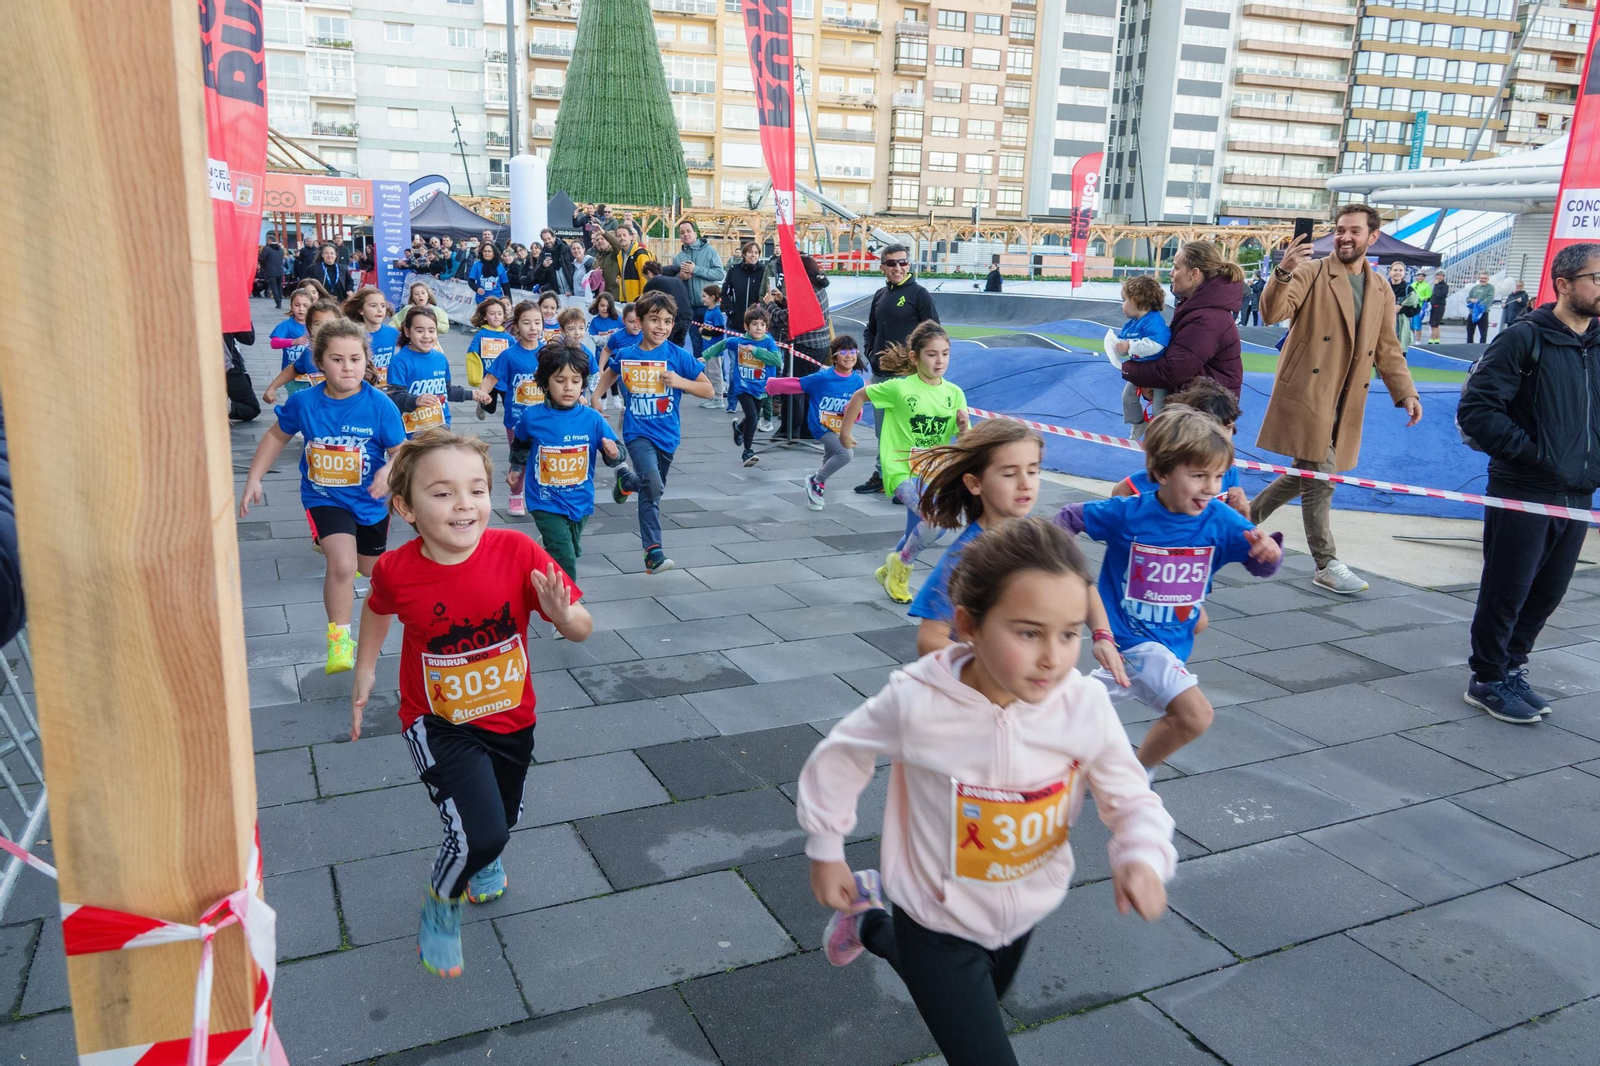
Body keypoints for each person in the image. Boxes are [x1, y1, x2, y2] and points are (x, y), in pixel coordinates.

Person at [796, 517, 1175, 1066]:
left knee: (982, 1003)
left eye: (1069, 633)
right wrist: (825, 848)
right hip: (933, 914)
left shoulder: (1081, 705)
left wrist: (1142, 854)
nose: (1053, 657)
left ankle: (869, 921)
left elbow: (1131, 794)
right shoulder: (917, 701)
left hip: (1023, 910)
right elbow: (841, 753)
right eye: (1028, 632)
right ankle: (885, 917)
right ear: (969, 624)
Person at [349, 428, 592, 978]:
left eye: (477, 490)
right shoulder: (395, 569)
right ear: (406, 508)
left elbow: (582, 627)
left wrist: (562, 615)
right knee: (479, 832)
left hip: (511, 718)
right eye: (442, 493)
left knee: (503, 819)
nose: (465, 504)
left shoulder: (517, 550)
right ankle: (442, 901)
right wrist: (365, 671)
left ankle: (484, 856)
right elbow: (377, 609)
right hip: (437, 722)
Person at [1056, 407, 1284, 770]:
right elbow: (1069, 517)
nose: (1211, 487)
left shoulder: (1221, 520)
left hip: (1171, 642)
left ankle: (1050, 729)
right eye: (1198, 475)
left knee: (1087, 701)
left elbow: (1259, 565)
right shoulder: (1130, 512)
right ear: (1161, 472)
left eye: (1219, 476)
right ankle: (1134, 773)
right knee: (1195, 715)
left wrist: (1268, 553)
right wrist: (1057, 569)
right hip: (1132, 638)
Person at [1456, 243, 1600, 725]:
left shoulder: (1597, 343)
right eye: (1597, 278)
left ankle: (1513, 667)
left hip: (1578, 492)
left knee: (1548, 591)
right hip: (1525, 487)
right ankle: (1487, 678)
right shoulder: (1524, 338)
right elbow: (1477, 412)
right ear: (1563, 284)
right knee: (1508, 589)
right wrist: (1538, 455)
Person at [1250, 203, 1423, 595]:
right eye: (1341, 229)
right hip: (1308, 392)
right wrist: (1283, 271)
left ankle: (1236, 517)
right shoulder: (1312, 271)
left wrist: (1406, 392)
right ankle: (1326, 563)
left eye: (1355, 231)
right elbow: (1272, 312)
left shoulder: (1380, 287)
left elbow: (1388, 347)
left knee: (1305, 474)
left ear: (1372, 237)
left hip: (1347, 399)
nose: (1345, 237)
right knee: (1322, 477)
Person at [240, 319, 405, 675]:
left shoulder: (380, 406)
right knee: (342, 565)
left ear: (367, 361)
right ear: (319, 362)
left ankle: (367, 616)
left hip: (371, 503)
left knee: (368, 571)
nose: (347, 367)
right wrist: (254, 477)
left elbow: (401, 452)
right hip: (324, 497)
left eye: (355, 359)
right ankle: (340, 641)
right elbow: (275, 438)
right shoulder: (304, 402)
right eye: (337, 359)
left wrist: (388, 472)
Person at [907, 419, 1126, 686]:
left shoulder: (1044, 538)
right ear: (975, 484)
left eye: (1033, 472)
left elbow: (1084, 585)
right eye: (1010, 474)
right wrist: (991, 665)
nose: (1025, 484)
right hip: (987, 692)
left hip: (1039, 676)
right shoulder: (967, 557)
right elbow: (929, 639)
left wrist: (1103, 637)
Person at [839, 322, 969, 604]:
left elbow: (965, 439)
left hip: (933, 474)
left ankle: (890, 567)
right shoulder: (899, 388)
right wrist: (845, 433)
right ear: (915, 357)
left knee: (919, 532)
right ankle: (902, 569)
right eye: (932, 354)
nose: (940, 361)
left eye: (945, 354)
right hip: (901, 470)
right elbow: (860, 395)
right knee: (935, 521)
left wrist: (964, 428)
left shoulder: (954, 393)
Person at [588, 291, 715, 574]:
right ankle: (653, 552)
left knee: (650, 487)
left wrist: (681, 381)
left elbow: (708, 390)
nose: (662, 327)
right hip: (637, 432)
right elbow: (612, 370)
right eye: (655, 320)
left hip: (668, 435)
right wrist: (597, 396)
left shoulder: (678, 356)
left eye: (668, 322)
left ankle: (626, 481)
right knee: (654, 487)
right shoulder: (628, 354)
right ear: (640, 321)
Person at [509, 345, 640, 578]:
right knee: (565, 556)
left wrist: (613, 452)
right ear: (545, 383)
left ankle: (547, 548)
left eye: (575, 381)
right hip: (544, 500)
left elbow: (618, 454)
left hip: (580, 499)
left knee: (572, 548)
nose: (568, 387)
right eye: (560, 380)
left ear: (583, 384)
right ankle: (567, 606)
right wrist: (516, 467)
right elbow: (520, 442)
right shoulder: (532, 416)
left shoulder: (592, 419)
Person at [855, 243, 941, 495]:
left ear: (909, 265)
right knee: (883, 431)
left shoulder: (920, 294)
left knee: (908, 431)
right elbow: (870, 330)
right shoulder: (880, 295)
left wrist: (921, 366)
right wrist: (871, 354)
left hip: (909, 376)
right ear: (882, 266)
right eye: (891, 263)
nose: (898, 268)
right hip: (882, 374)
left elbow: (934, 333)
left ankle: (912, 483)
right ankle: (883, 476)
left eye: (902, 262)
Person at [1112, 378, 1250, 520]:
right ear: (1191, 427)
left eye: (1227, 428)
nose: (1221, 436)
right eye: (1213, 429)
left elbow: (1232, 522)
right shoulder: (1174, 470)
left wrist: (1243, 511)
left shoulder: (1229, 472)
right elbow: (1121, 491)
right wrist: (1133, 527)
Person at [1120, 242, 1242, 401]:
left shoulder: (1207, 318)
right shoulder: (1197, 308)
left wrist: (1126, 368)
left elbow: (1173, 370)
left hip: (1203, 414)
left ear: (1194, 274)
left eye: (1176, 268)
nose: (1171, 273)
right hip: (1199, 406)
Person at [766, 335, 867, 510]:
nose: (849, 355)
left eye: (853, 351)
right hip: (820, 426)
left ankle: (815, 494)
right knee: (845, 454)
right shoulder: (823, 378)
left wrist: (854, 414)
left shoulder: (857, 381)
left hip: (839, 427)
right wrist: (771, 385)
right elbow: (798, 383)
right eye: (843, 351)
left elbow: (859, 403)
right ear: (835, 356)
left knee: (830, 458)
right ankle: (816, 481)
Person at [387, 307, 486, 437]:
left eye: (431, 330)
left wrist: (472, 394)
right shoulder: (399, 361)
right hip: (413, 432)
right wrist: (416, 400)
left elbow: (447, 390)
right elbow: (394, 398)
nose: (426, 336)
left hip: (441, 426)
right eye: (419, 330)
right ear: (407, 331)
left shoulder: (440, 358)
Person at [702, 305, 781, 467]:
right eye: (754, 324)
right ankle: (748, 451)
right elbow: (723, 344)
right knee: (753, 416)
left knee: (752, 416)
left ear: (766, 327)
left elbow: (777, 360)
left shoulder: (768, 342)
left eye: (762, 325)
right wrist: (705, 356)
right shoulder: (739, 342)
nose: (758, 328)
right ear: (746, 326)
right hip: (742, 387)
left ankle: (739, 428)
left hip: (761, 388)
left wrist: (757, 352)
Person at [1105, 275, 1172, 441]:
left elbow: (1156, 345)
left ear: (1136, 301)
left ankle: (1163, 434)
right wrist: (1119, 349)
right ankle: (1138, 422)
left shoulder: (1153, 321)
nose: (1122, 305)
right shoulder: (1132, 324)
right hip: (1141, 372)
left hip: (1158, 374)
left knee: (1159, 406)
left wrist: (1130, 346)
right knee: (1127, 398)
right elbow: (1127, 345)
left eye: (1124, 300)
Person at [262, 299, 342, 403]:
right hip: (317, 405)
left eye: (330, 324)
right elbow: (294, 368)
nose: (324, 329)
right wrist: (273, 387)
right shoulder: (310, 351)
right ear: (310, 327)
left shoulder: (348, 350)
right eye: (317, 324)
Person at [465, 298, 513, 409]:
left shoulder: (508, 337)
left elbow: (516, 352)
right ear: (485, 316)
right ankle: (481, 405)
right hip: (488, 377)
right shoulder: (481, 334)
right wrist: (474, 375)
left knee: (509, 406)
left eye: (500, 313)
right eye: (492, 313)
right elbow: (471, 354)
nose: (496, 316)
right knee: (489, 408)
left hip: (504, 378)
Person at [641, 260, 694, 346]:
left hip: (671, 318)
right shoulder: (675, 280)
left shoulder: (652, 283)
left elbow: (644, 304)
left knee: (662, 345)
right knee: (677, 348)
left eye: (645, 277)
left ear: (649, 273)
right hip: (687, 316)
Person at [720, 242, 767, 331]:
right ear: (744, 254)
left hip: (756, 325)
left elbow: (767, 294)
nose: (753, 255)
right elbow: (724, 292)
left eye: (756, 252)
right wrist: (730, 311)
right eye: (750, 252)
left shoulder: (764, 271)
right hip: (734, 323)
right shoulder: (734, 270)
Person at [697, 284, 728, 409]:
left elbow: (720, 330)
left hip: (715, 350)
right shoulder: (708, 312)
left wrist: (704, 331)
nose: (702, 299)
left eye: (704, 296)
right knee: (709, 373)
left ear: (712, 297)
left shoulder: (716, 313)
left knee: (715, 373)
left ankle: (718, 398)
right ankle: (713, 396)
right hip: (708, 349)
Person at [671, 220, 725, 286]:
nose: (685, 234)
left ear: (695, 234)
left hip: (706, 295)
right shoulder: (678, 258)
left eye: (688, 231)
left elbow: (720, 274)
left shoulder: (710, 251)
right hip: (686, 296)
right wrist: (680, 277)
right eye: (682, 233)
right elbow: (672, 282)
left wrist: (695, 269)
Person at [270, 289, 312, 371]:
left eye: (305, 306)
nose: (301, 309)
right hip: (291, 374)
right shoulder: (286, 325)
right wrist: (293, 342)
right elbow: (274, 343)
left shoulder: (316, 325)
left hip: (312, 374)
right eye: (297, 305)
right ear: (291, 306)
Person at [616, 227, 653, 303]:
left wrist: (643, 299)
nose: (622, 238)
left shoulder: (640, 254)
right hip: (626, 300)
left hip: (638, 301)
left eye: (624, 235)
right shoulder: (620, 256)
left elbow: (645, 279)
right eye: (619, 236)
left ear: (631, 237)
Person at [1389, 262, 1420, 350]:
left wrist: (1401, 308)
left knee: (1400, 354)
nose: (1398, 272)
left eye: (1400, 270)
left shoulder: (1408, 289)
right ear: (1390, 272)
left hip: (1401, 327)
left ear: (1404, 273)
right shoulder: (1384, 287)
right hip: (1385, 326)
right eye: (1395, 270)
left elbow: (1416, 308)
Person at [1467, 272, 1496, 344]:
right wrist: (1471, 300)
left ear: (1488, 279)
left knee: (1483, 333)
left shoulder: (1490, 288)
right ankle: (1468, 346)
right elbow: (1468, 298)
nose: (1483, 280)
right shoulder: (1474, 288)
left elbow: (1490, 298)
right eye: (1481, 278)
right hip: (1472, 313)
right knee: (1469, 332)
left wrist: (1478, 304)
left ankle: (1481, 348)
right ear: (1479, 278)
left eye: (1485, 278)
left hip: (1483, 313)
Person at [259, 235, 286, 309]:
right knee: (279, 287)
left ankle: (278, 303)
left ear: (270, 240)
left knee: (274, 287)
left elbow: (262, 259)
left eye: (268, 240)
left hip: (271, 271)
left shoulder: (267, 248)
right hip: (280, 270)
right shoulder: (280, 249)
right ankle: (280, 300)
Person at [1428, 270, 1449, 345]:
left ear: (1443, 277)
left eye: (1441, 275)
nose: (1439, 277)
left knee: (1434, 325)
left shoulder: (1444, 286)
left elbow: (1439, 295)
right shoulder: (1438, 285)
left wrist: (1436, 285)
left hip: (1439, 306)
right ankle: (1437, 340)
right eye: (1438, 275)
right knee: (1435, 324)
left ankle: (1431, 341)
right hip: (1434, 306)